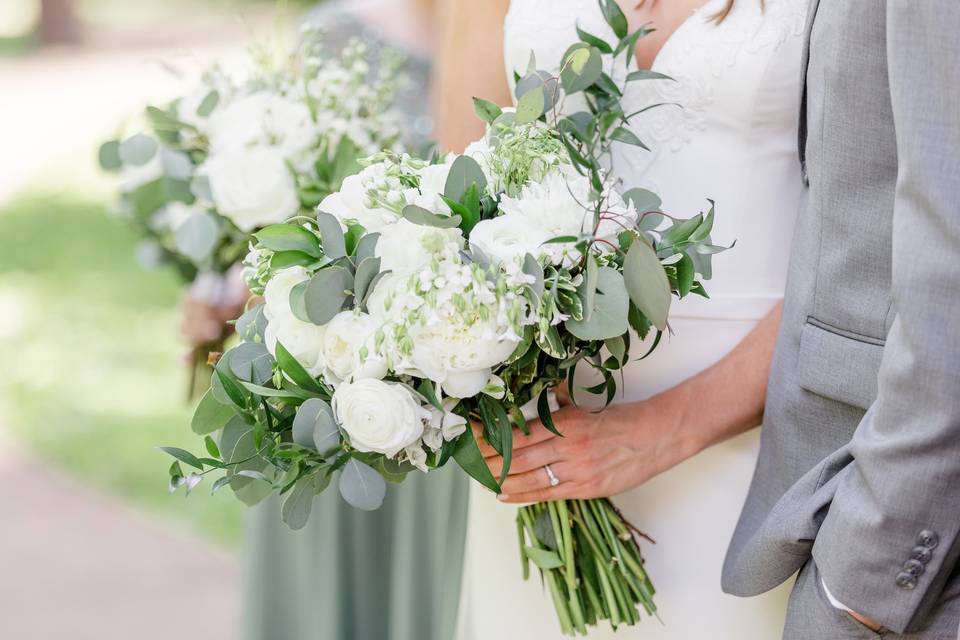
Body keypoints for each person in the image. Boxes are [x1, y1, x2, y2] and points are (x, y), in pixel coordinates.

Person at [482, 0, 960, 638]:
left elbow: (885, 240)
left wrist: (668, 426)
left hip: (761, 463)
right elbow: (473, 156)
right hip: (546, 451)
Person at [451, 0, 808, 637]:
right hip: (543, 445)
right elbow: (453, 184)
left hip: (757, 447)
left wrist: (664, 429)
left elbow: (866, 250)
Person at [181, 2, 470, 639]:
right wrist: (223, 284)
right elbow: (266, 219)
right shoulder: (336, 37)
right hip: (328, 370)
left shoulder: (513, 27)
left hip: (447, 379)